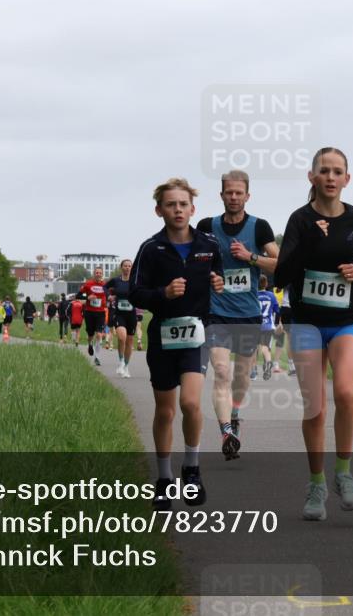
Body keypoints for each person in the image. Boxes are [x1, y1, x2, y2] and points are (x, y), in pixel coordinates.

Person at [274, 147, 353, 521]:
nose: (331, 177)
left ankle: (344, 474)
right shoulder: (300, 219)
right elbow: (281, 274)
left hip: (346, 320)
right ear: (312, 177)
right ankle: (316, 484)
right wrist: (308, 241)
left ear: (347, 179)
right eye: (325, 171)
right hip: (305, 322)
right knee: (316, 406)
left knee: (345, 394)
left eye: (338, 171)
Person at [129, 178, 224, 511]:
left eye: (183, 204)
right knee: (166, 411)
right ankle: (165, 478)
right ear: (159, 210)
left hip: (197, 335)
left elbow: (218, 277)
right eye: (171, 204)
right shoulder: (150, 249)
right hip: (163, 337)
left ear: (193, 208)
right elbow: (135, 293)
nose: (178, 209)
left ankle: (193, 468)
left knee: (191, 403)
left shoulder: (209, 245)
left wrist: (218, 282)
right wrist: (162, 294)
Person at [197, 169, 279, 461]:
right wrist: (207, 275)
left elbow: (280, 264)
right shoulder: (206, 226)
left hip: (247, 314)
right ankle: (226, 432)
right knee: (221, 371)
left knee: (241, 377)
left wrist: (250, 257)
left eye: (238, 192)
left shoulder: (259, 228)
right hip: (216, 312)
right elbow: (193, 261)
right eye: (228, 192)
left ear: (247, 195)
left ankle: (234, 416)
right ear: (221, 195)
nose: (233, 197)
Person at [106, 259, 138, 378]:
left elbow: (143, 291)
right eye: (125, 266)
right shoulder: (116, 280)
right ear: (121, 267)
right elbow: (105, 287)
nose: (127, 268)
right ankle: (121, 362)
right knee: (121, 337)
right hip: (119, 313)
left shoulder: (135, 281)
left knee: (129, 341)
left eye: (129, 266)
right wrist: (109, 296)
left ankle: (126, 366)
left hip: (131, 314)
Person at [79, 268, 109, 366]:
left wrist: (110, 299)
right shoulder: (88, 284)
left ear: (102, 274)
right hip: (89, 313)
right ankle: (90, 344)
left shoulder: (105, 285)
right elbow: (78, 295)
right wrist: (87, 297)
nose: (98, 274)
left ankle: (97, 357)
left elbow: (108, 295)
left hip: (100, 313)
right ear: (94, 274)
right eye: (97, 273)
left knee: (99, 335)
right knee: (90, 334)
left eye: (100, 273)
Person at [255, 275, 280, 381]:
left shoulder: (254, 295)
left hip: (256, 324)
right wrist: (277, 323)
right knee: (265, 347)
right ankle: (269, 363)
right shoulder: (271, 295)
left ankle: (254, 370)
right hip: (268, 325)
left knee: (255, 347)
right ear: (266, 284)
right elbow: (277, 311)